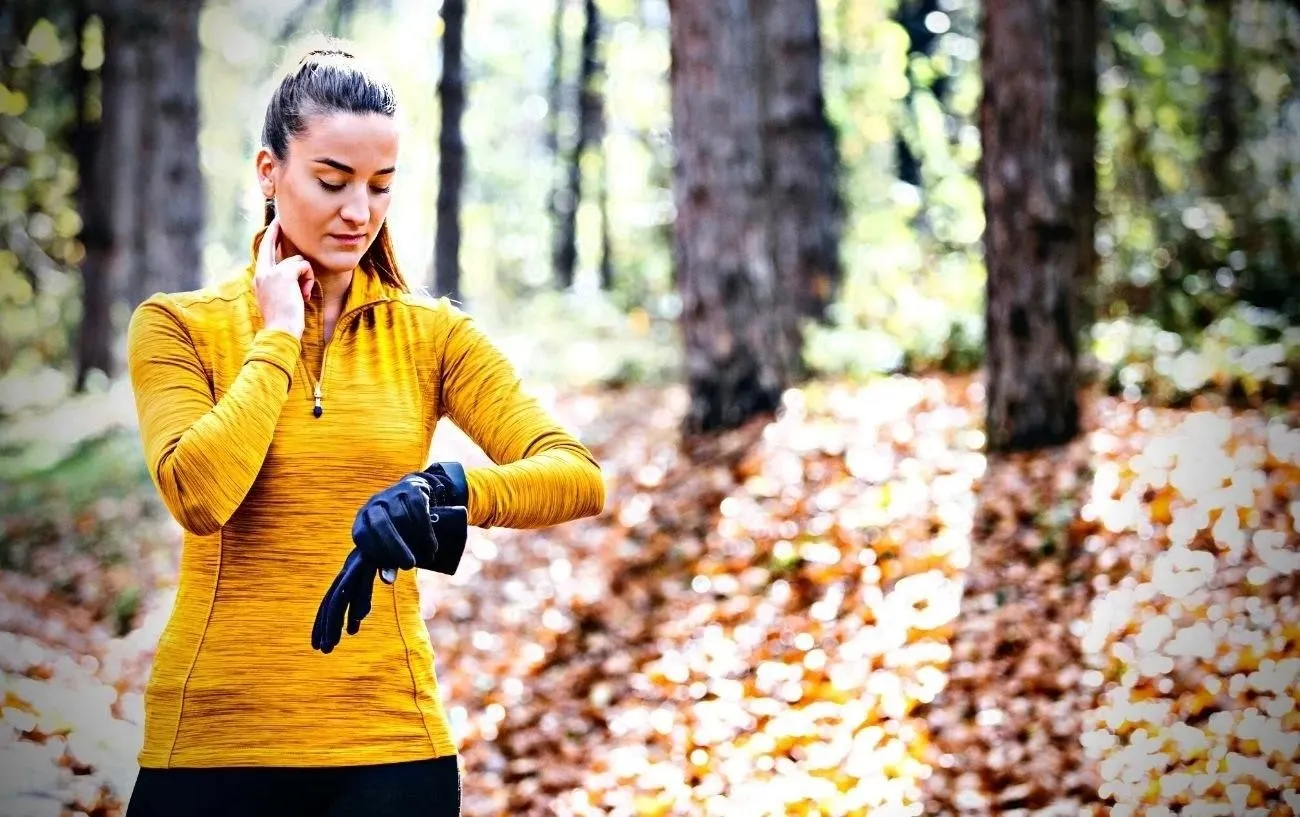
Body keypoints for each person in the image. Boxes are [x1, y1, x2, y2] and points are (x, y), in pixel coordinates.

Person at [122, 42, 605, 817]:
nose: (359, 212)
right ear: (269, 171)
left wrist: (443, 492)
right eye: (332, 180)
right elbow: (198, 494)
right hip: (213, 744)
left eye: (381, 186)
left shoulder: (431, 335)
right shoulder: (179, 327)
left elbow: (575, 474)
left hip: (391, 748)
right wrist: (278, 335)